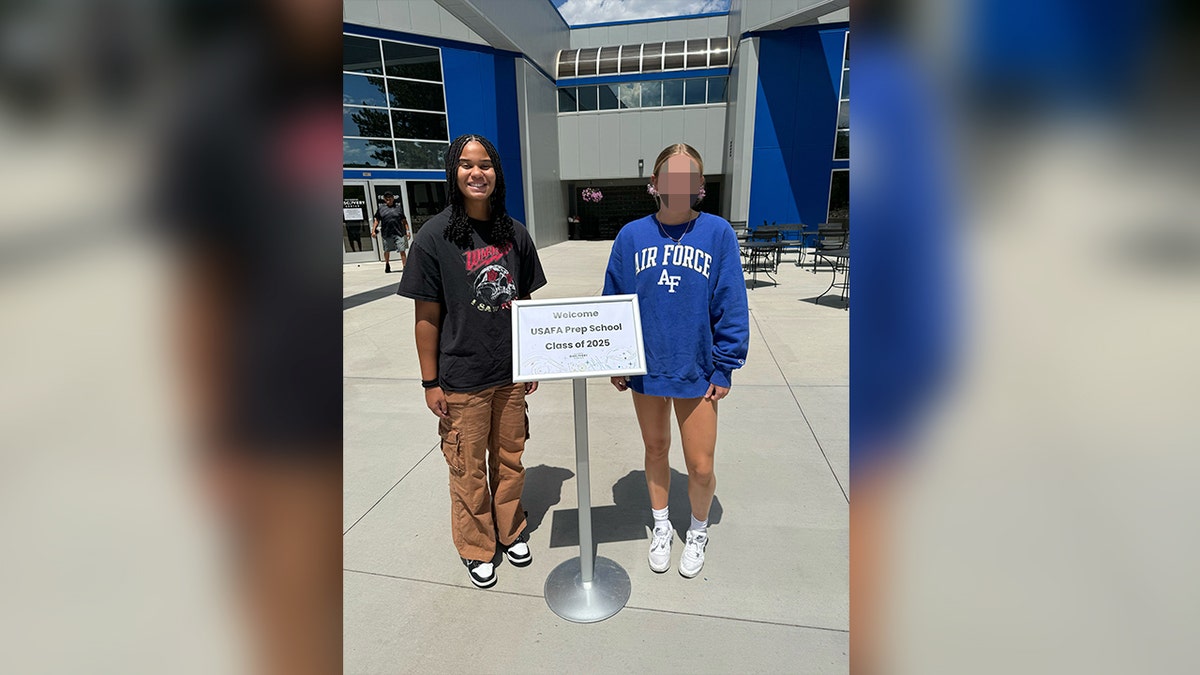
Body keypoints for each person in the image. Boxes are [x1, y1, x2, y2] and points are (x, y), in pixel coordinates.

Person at [396, 134, 547, 589]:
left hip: (510, 375)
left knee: (510, 460)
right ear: (453, 172)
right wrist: (430, 383)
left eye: (485, 164)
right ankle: (477, 546)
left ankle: (511, 530)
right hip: (462, 378)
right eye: (466, 164)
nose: (476, 173)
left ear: (497, 172)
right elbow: (426, 318)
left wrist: (531, 361)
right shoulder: (433, 236)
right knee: (468, 469)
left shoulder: (514, 232)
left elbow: (524, 303)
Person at [603, 143, 749, 578]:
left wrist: (725, 364)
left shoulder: (717, 233)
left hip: (697, 367)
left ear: (700, 186)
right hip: (647, 367)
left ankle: (698, 530)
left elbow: (731, 302)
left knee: (700, 466)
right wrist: (616, 357)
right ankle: (662, 524)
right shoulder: (631, 236)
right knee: (655, 449)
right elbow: (614, 298)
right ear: (655, 183)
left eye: (689, 178)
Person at [372, 191, 410, 273]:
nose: (388, 199)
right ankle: (387, 264)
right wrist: (373, 231)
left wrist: (408, 231)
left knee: (402, 249)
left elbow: (404, 220)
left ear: (393, 198)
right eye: (386, 198)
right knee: (387, 250)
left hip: (398, 232)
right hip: (386, 233)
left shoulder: (398, 208)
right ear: (384, 199)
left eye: (390, 197)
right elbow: (376, 220)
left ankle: (405, 266)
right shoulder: (381, 208)